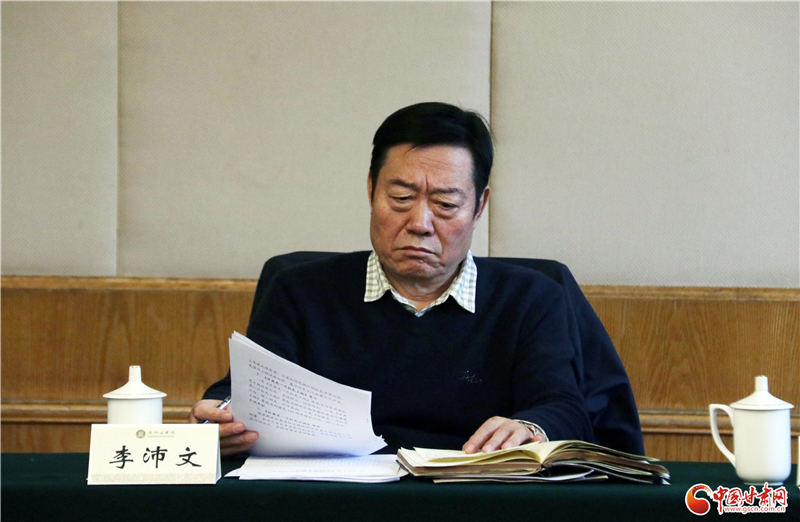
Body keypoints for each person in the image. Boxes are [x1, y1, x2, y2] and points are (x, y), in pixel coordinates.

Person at [190, 102, 596, 456]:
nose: (420, 223)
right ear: (371, 191)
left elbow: (563, 406)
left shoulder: (531, 297)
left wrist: (530, 427)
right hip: (333, 497)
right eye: (401, 198)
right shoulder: (300, 291)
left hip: (472, 495)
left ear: (478, 207)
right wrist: (219, 416)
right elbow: (245, 392)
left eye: (445, 203)